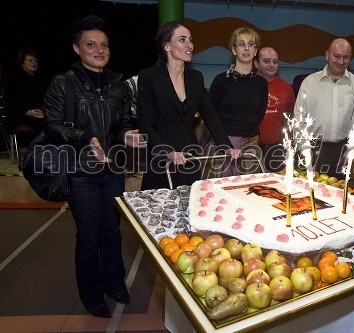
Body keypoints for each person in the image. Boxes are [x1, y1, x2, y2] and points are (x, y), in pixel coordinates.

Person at [43, 15, 147, 318]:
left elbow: (123, 123)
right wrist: (85, 137)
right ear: (77, 48)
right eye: (91, 45)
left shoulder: (118, 84)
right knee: (89, 236)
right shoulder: (63, 83)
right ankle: (91, 295)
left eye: (104, 45)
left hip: (112, 169)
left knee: (112, 232)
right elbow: (51, 126)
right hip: (80, 172)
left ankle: (115, 283)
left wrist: (127, 134)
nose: (99, 50)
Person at [138, 22, 239, 190]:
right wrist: (167, 151)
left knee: (189, 208)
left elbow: (210, 116)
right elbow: (144, 123)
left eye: (190, 40)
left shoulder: (196, 78)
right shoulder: (149, 77)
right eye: (182, 40)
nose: (190, 45)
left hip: (190, 156)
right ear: (167, 46)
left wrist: (226, 147)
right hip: (161, 157)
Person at [293, 38, 354, 181]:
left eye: (345, 57)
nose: (341, 62)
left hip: (341, 151)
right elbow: (299, 118)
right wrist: (303, 147)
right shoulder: (309, 82)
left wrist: (351, 152)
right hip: (311, 150)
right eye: (337, 56)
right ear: (327, 55)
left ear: (350, 58)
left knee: (338, 196)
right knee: (306, 197)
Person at [208, 27, 268, 177]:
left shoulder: (261, 83)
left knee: (249, 194)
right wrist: (226, 144)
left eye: (251, 44)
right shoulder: (221, 80)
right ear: (234, 50)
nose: (246, 48)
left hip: (251, 147)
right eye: (241, 44)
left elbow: (259, 115)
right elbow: (210, 116)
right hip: (223, 147)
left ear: (255, 51)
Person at [253, 47, 295, 172]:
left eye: (275, 62)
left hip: (277, 149)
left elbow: (290, 119)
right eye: (266, 61)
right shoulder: (247, 86)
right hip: (251, 147)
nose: (271, 65)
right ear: (256, 63)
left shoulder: (286, 88)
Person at [3, 48, 46, 135]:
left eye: (35, 61)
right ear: (22, 63)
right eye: (30, 60)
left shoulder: (38, 80)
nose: (34, 63)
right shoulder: (15, 80)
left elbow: (43, 100)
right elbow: (9, 103)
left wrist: (43, 111)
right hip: (19, 115)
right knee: (47, 125)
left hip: (37, 114)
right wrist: (27, 112)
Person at [246, 185, 329, 214]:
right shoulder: (280, 207)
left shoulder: (306, 197)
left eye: (271, 191)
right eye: (265, 194)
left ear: (277, 190)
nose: (270, 194)